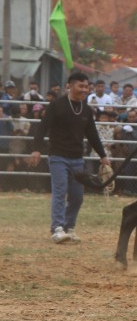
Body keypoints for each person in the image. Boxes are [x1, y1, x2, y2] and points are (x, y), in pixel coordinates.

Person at [30, 72, 111, 243]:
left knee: (77, 196)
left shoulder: (87, 110)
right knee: (60, 191)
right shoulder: (56, 105)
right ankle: (57, 228)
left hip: (77, 158)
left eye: (86, 86)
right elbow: (43, 128)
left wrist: (103, 155)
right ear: (70, 86)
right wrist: (36, 149)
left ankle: (69, 227)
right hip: (58, 156)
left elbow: (92, 134)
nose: (84, 89)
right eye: (80, 86)